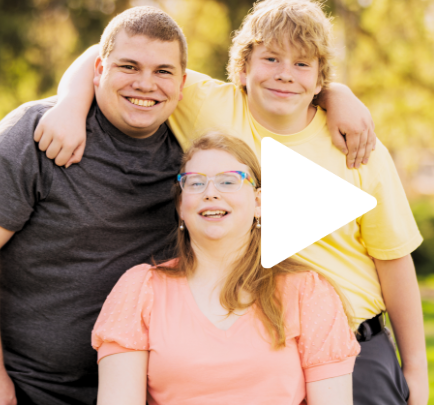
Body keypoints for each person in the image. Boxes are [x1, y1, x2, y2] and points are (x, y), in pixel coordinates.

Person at [0, 5, 372, 404]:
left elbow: (277, 88)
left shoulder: (187, 145)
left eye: (163, 72)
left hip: (134, 381)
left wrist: (335, 93)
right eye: (129, 68)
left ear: (183, 80)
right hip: (23, 383)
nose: (145, 84)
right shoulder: (42, 134)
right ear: (100, 70)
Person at [38, 1, 429, 404]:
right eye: (271, 58)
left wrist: (415, 366)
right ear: (242, 69)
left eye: (301, 65)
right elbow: (105, 55)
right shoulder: (209, 104)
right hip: (260, 339)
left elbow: (393, 258)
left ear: (319, 81)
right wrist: (69, 104)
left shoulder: (357, 147)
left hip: (350, 341)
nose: (283, 74)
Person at [93, 132, 360, 405]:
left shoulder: (308, 292)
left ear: (259, 203)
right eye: (195, 183)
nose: (211, 193)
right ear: (181, 207)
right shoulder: (139, 290)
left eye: (228, 181)